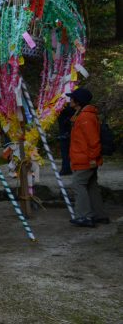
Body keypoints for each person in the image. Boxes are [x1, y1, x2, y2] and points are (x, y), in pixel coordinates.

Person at [68, 88, 109, 227]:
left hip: (85, 159)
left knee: (78, 185)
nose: (69, 100)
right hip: (86, 158)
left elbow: (94, 141)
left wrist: (92, 158)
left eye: (71, 98)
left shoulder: (85, 117)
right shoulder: (82, 115)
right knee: (91, 186)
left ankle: (85, 216)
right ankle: (99, 215)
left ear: (78, 101)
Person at [56, 105, 74, 176]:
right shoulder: (70, 109)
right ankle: (66, 168)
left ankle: (66, 168)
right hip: (66, 133)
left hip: (65, 133)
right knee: (66, 152)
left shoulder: (64, 109)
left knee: (65, 152)